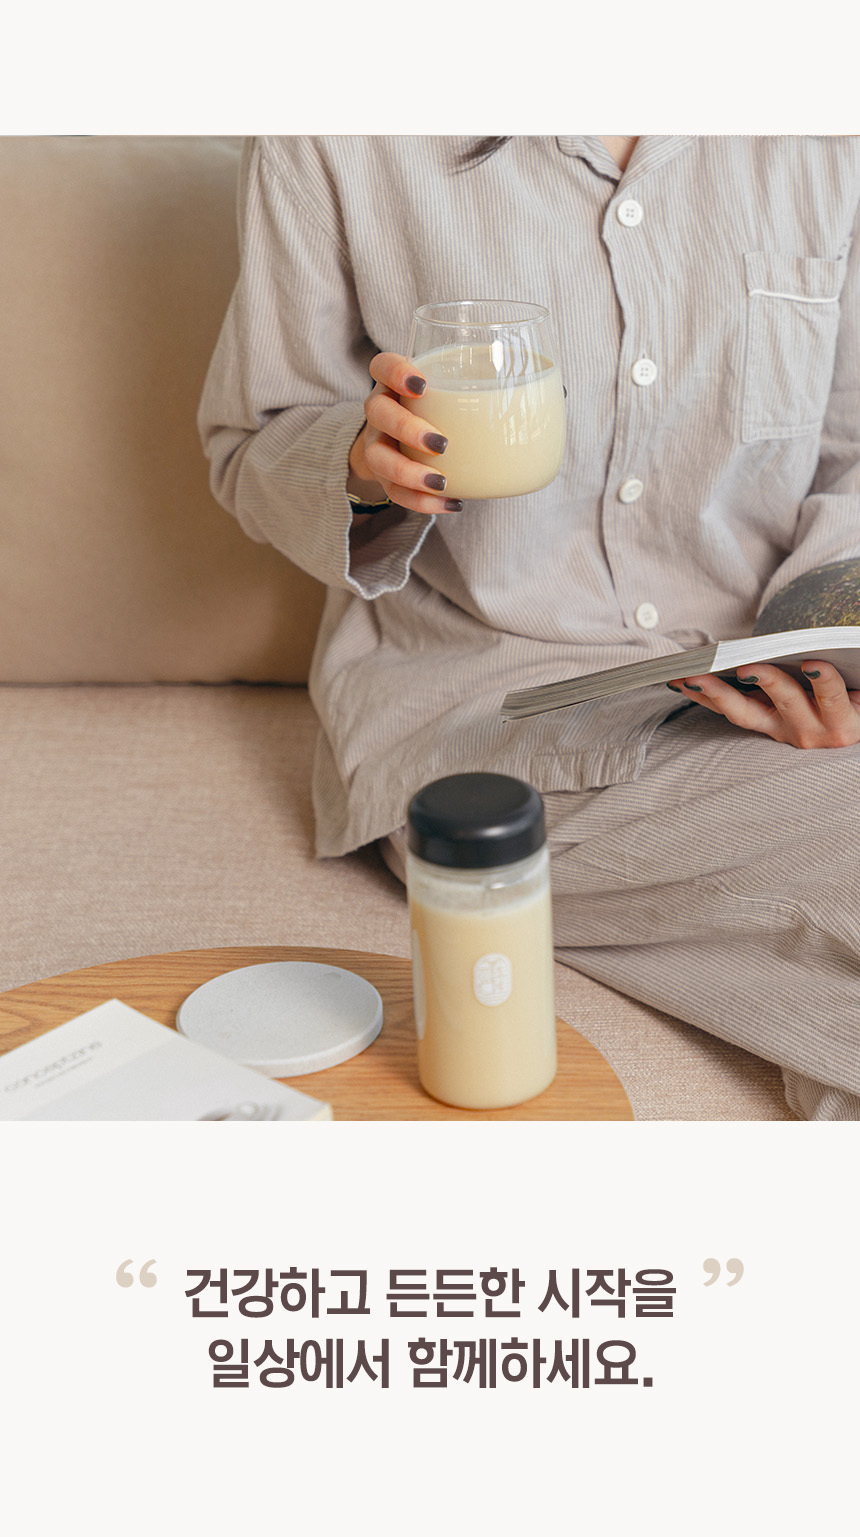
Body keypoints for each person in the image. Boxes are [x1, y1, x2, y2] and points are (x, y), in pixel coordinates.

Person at [199, 135, 860, 1120]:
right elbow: (249, 445)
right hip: (493, 716)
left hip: (764, 692)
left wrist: (826, 647)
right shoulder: (334, 139)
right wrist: (361, 462)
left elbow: (848, 451)